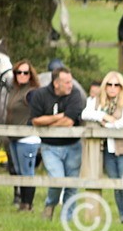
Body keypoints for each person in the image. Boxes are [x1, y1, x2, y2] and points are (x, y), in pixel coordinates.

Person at [82, 71, 123, 225]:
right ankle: (122, 215)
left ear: (122, 87)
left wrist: (107, 125)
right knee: (115, 184)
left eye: (117, 85)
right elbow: (85, 114)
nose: (113, 88)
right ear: (104, 86)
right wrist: (104, 116)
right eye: (109, 84)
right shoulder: (98, 101)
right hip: (109, 149)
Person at [29, 66, 84, 221]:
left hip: (73, 146)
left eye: (70, 81)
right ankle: (50, 204)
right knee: (57, 180)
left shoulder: (75, 95)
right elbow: (36, 120)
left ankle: (67, 220)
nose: (70, 85)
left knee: (72, 185)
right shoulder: (40, 95)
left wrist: (47, 124)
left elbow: (69, 122)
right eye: (66, 82)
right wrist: (59, 116)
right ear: (56, 83)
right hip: (50, 147)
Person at [5, 60, 41, 211]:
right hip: (13, 137)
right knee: (19, 171)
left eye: (25, 73)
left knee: (27, 172)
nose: (21, 75)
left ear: (30, 75)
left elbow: (39, 111)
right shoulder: (14, 90)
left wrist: (29, 124)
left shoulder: (32, 92)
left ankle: (28, 204)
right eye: (18, 72)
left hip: (27, 138)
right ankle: (23, 202)